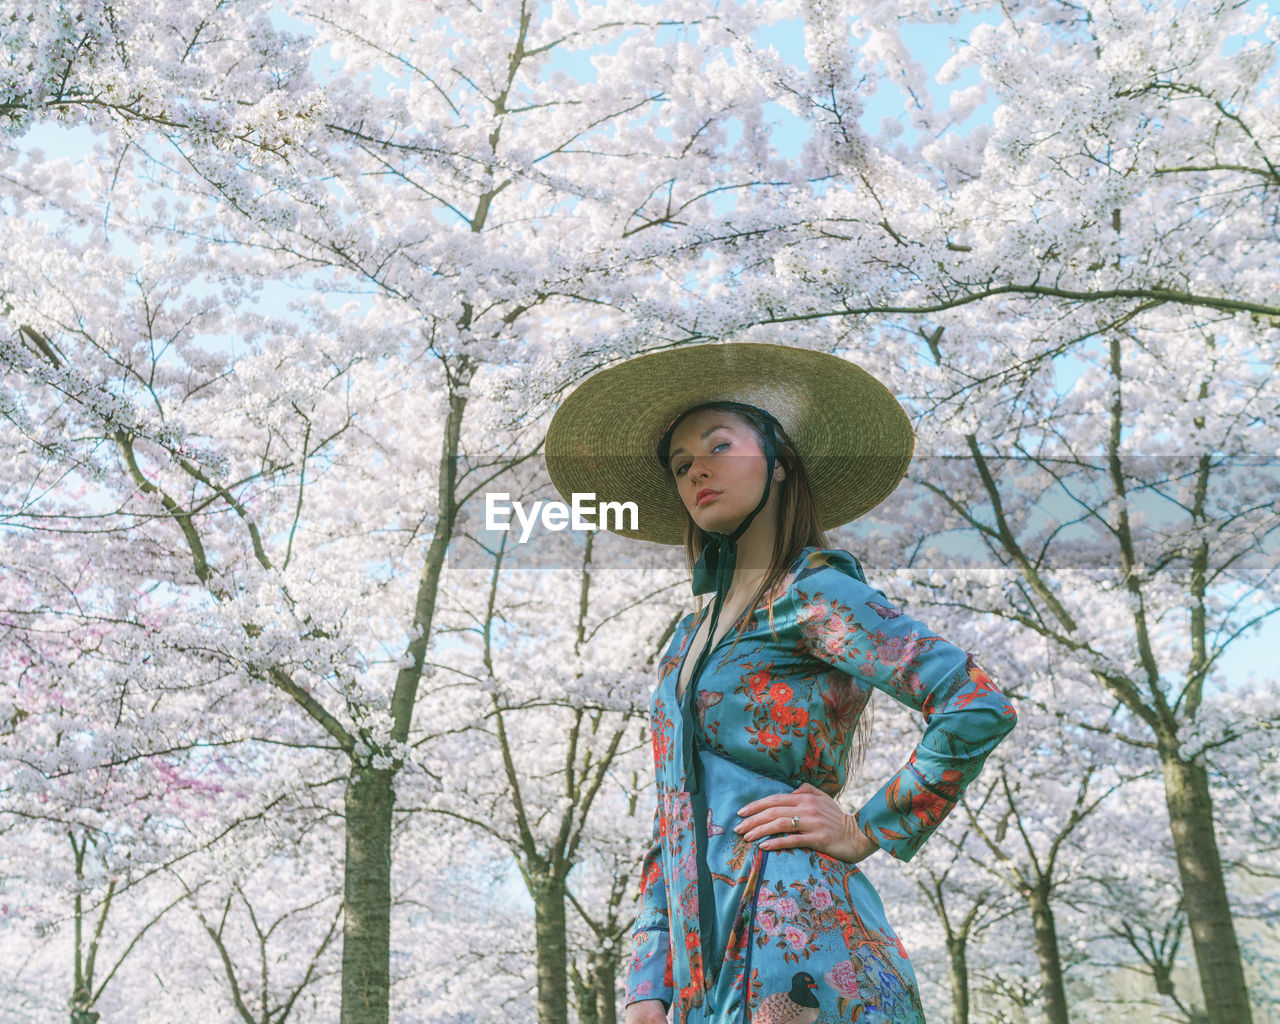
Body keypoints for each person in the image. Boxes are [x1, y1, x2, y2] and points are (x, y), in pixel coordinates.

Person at [545, 343, 1018, 1024]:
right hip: (697, 973)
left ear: (780, 460)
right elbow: (674, 811)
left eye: (718, 446)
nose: (697, 469)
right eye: (681, 465)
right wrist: (648, 985)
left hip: (797, 942)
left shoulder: (814, 593)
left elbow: (975, 704)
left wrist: (866, 828)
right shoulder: (687, 639)